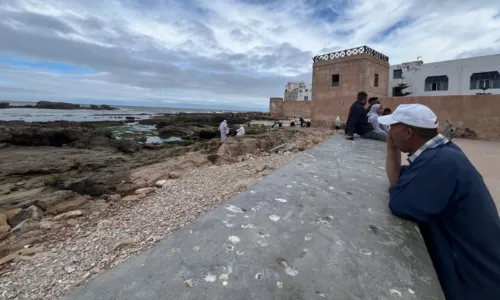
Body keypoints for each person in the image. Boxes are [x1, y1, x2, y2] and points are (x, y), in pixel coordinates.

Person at [379, 104, 500, 300]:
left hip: (472, 279)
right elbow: (398, 181)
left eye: (392, 127)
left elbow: (398, 202)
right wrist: (391, 146)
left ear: (408, 132)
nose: (389, 131)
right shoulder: (442, 152)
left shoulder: (438, 163)